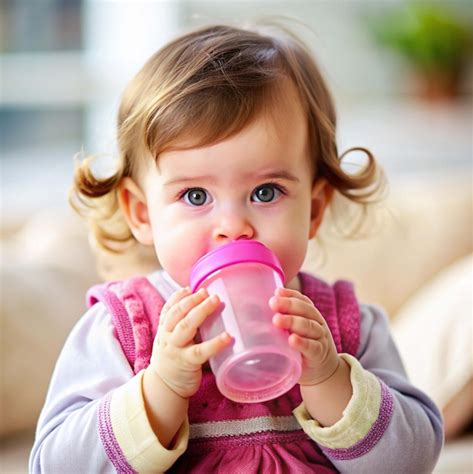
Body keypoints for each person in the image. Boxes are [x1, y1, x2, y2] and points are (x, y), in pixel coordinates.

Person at [30, 23, 443, 473]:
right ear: (142, 213)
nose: (233, 228)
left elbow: (413, 461)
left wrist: (330, 379)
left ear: (315, 208)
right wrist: (160, 390)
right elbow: (53, 465)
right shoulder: (122, 329)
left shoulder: (345, 326)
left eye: (266, 192)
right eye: (195, 196)